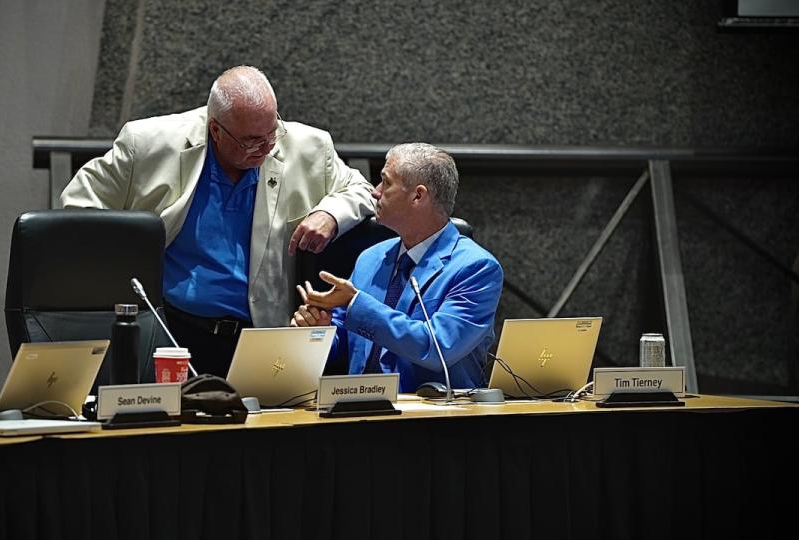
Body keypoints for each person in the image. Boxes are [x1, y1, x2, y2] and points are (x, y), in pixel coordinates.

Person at [61, 66, 374, 376]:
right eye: (252, 141)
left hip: (261, 332)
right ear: (215, 130)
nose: (267, 149)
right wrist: (126, 269)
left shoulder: (309, 147)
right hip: (173, 331)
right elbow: (80, 205)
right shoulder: (148, 144)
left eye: (272, 132)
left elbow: (362, 191)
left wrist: (330, 213)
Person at [291, 143, 502, 393]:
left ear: (418, 196)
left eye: (385, 182)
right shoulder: (370, 258)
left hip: (434, 420)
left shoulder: (476, 268)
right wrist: (318, 331)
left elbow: (437, 348)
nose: (375, 192)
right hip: (355, 409)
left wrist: (356, 303)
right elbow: (341, 343)